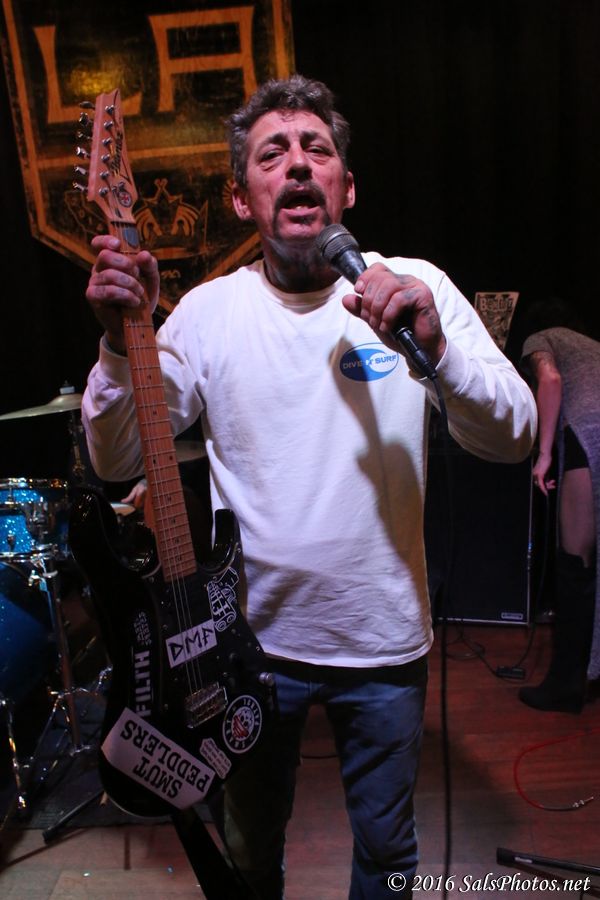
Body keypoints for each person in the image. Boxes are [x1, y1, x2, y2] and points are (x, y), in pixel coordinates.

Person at [82, 74, 536, 899]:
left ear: (346, 187)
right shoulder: (207, 314)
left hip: (384, 644)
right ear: (241, 199)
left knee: (389, 858)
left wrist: (438, 354)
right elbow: (116, 461)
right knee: (250, 853)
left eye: (316, 150)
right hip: (247, 651)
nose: (297, 164)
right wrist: (120, 346)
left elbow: (514, 435)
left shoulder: (410, 288)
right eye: (272, 155)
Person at [518, 323, 600, 712]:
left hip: (590, 436)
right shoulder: (592, 347)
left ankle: (565, 686)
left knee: (575, 562)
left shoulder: (541, 337)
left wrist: (545, 454)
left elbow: (549, 379)